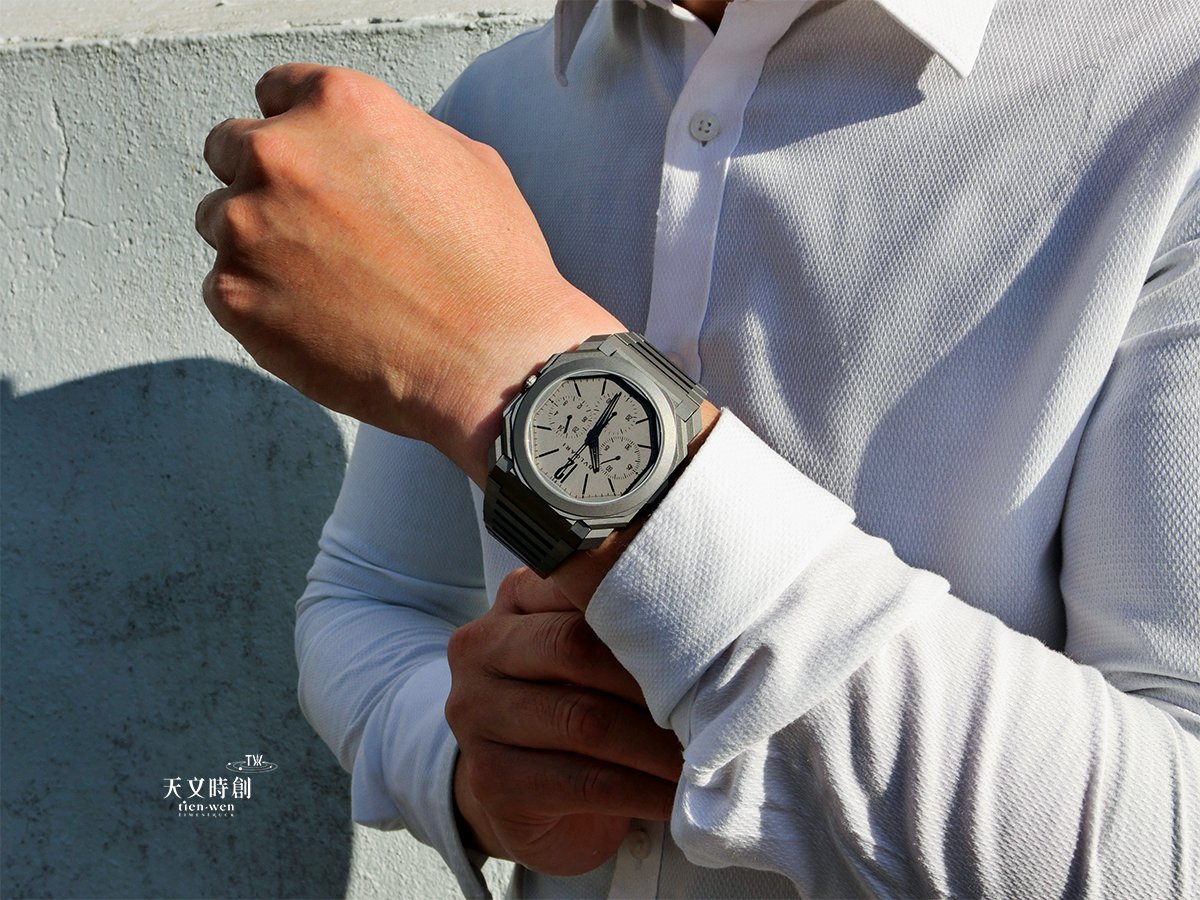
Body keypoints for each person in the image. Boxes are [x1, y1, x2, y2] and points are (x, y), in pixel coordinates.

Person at [195, 0, 1200, 896]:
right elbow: (373, 597)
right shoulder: (500, 108)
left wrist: (515, 368)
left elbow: (1173, 852)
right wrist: (466, 764)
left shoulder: (1170, 96)